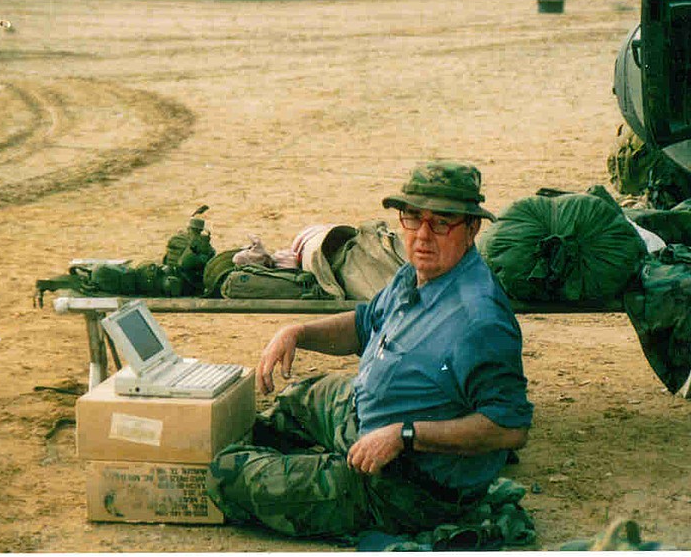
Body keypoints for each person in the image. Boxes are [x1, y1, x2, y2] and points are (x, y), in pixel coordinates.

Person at [206, 160, 533, 538]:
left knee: (225, 474)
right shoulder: (416, 273)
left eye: (441, 222)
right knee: (300, 398)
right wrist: (298, 332)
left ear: (472, 228)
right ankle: (311, 465)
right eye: (413, 218)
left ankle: (327, 482)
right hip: (367, 419)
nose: (423, 236)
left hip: (407, 486)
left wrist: (404, 435)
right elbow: (365, 325)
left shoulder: (479, 320)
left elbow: (509, 429)